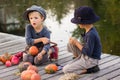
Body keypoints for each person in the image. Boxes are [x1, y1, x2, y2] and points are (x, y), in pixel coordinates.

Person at [62, 6, 102, 75]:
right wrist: (74, 43)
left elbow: (88, 52)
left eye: (78, 22)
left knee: (65, 70)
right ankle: (78, 60)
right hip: (86, 56)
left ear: (84, 22)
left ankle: (90, 69)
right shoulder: (89, 30)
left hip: (91, 60)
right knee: (70, 44)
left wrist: (77, 42)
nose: (77, 23)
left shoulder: (91, 34)